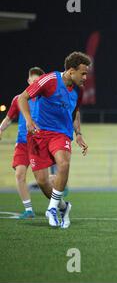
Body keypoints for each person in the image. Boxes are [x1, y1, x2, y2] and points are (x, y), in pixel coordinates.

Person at [17, 52, 90, 228]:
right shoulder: (49, 80)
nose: (86, 77)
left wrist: (78, 133)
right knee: (42, 181)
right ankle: (63, 207)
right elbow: (22, 98)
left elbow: (75, 112)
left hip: (61, 134)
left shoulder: (78, 91)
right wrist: (28, 119)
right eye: (83, 73)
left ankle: (51, 209)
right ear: (71, 71)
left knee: (63, 164)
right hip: (39, 134)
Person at [0, 67, 45, 218]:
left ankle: (59, 202)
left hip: (39, 144)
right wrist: (0, 129)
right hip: (22, 143)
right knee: (20, 175)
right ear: (28, 81)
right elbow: (8, 119)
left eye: (38, 81)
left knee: (43, 180)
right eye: (33, 81)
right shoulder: (18, 99)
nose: (35, 84)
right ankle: (29, 210)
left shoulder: (45, 100)